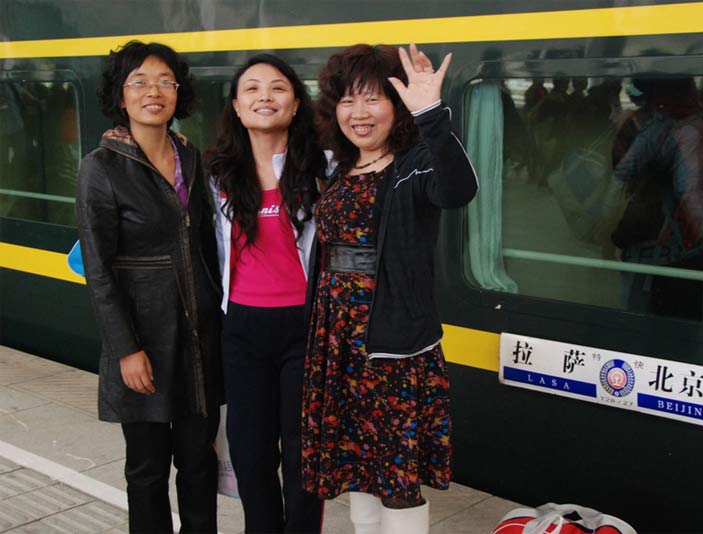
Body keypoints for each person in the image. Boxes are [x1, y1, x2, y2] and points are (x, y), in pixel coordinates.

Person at [301, 44, 479, 534]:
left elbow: (459, 189)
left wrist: (431, 114)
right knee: (358, 466)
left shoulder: (413, 164)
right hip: (338, 346)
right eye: (347, 100)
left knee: (397, 479)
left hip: (393, 350)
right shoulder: (340, 168)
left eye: (373, 99)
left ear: (396, 107)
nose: (358, 113)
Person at [75, 41, 222, 533]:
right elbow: (98, 268)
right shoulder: (102, 166)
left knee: (199, 466)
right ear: (121, 95)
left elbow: (207, 248)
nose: (153, 92)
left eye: (165, 81)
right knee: (147, 470)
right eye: (139, 81)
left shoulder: (192, 158)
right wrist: (126, 349)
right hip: (145, 343)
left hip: (200, 342)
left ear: (179, 93)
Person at [205, 54, 330, 534]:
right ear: (236, 106)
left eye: (278, 88)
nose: (264, 97)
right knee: (250, 454)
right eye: (251, 89)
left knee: (303, 457)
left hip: (305, 328)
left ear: (297, 103)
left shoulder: (325, 169)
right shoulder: (216, 175)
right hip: (241, 330)